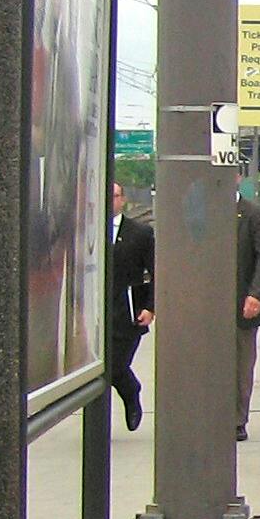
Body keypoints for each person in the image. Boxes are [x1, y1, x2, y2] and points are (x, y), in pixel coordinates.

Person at [107, 182, 154, 430]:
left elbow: (155, 271)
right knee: (100, 371)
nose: (109, 201)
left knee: (115, 366)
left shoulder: (140, 233)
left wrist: (150, 307)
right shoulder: (86, 229)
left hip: (127, 312)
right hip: (97, 312)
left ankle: (131, 392)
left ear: (122, 200)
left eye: (114, 196)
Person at [233, 182, 260, 441]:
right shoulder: (204, 209)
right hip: (208, 305)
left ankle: (237, 419)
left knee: (240, 363)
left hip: (243, 301)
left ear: (237, 177)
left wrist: (256, 293)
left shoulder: (254, 214)